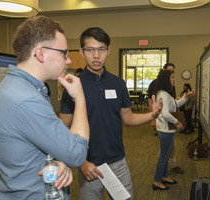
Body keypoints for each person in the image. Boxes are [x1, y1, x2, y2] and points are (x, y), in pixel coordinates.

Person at [0, 16, 90, 200]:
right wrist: (80, 98)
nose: (68, 61)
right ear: (41, 54)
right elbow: (76, 154)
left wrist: (60, 158)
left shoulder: (14, 88)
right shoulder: (26, 99)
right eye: (64, 53)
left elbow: (38, 140)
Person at [59, 27, 162, 200]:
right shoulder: (74, 85)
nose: (96, 55)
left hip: (117, 162)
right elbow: (62, 128)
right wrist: (81, 162)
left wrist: (151, 115)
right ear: (82, 52)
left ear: (108, 51)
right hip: (89, 165)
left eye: (101, 49)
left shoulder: (118, 83)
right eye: (90, 50)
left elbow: (128, 118)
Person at [152, 70, 194, 190]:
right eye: (172, 77)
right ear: (166, 80)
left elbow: (174, 104)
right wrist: (178, 122)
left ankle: (164, 176)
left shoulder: (164, 93)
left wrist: (186, 97)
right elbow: (165, 113)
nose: (174, 79)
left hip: (166, 129)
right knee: (164, 157)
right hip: (165, 130)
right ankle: (157, 181)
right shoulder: (164, 94)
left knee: (165, 155)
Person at [147, 63, 184, 174]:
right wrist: (152, 118)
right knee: (164, 153)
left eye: (173, 71)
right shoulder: (157, 86)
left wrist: (185, 98)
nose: (172, 76)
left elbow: (172, 101)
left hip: (169, 123)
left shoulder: (168, 87)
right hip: (164, 123)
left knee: (169, 148)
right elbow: (151, 101)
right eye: (170, 72)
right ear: (164, 72)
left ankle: (168, 169)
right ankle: (161, 175)